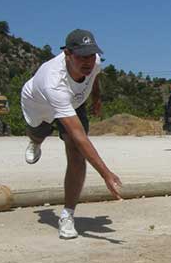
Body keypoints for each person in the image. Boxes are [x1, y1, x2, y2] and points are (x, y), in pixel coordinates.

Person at [21, 29, 122, 239]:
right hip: (39, 106)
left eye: (91, 55)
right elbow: (80, 135)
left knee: (76, 154)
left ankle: (67, 214)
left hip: (73, 103)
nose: (88, 61)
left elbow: (94, 79)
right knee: (39, 134)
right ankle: (35, 142)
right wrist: (106, 173)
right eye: (81, 56)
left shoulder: (94, 63)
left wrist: (96, 99)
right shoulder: (52, 80)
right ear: (67, 53)